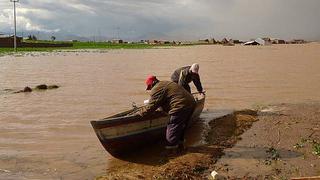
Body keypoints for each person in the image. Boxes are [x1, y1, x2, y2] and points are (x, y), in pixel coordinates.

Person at [139, 75, 196, 152]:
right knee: (181, 126)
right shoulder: (165, 83)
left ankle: (171, 150)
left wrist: (140, 113)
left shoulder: (157, 88)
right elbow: (166, 99)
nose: (150, 89)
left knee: (173, 126)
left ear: (152, 84)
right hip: (191, 103)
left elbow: (151, 107)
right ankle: (180, 145)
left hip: (181, 105)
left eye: (149, 87)